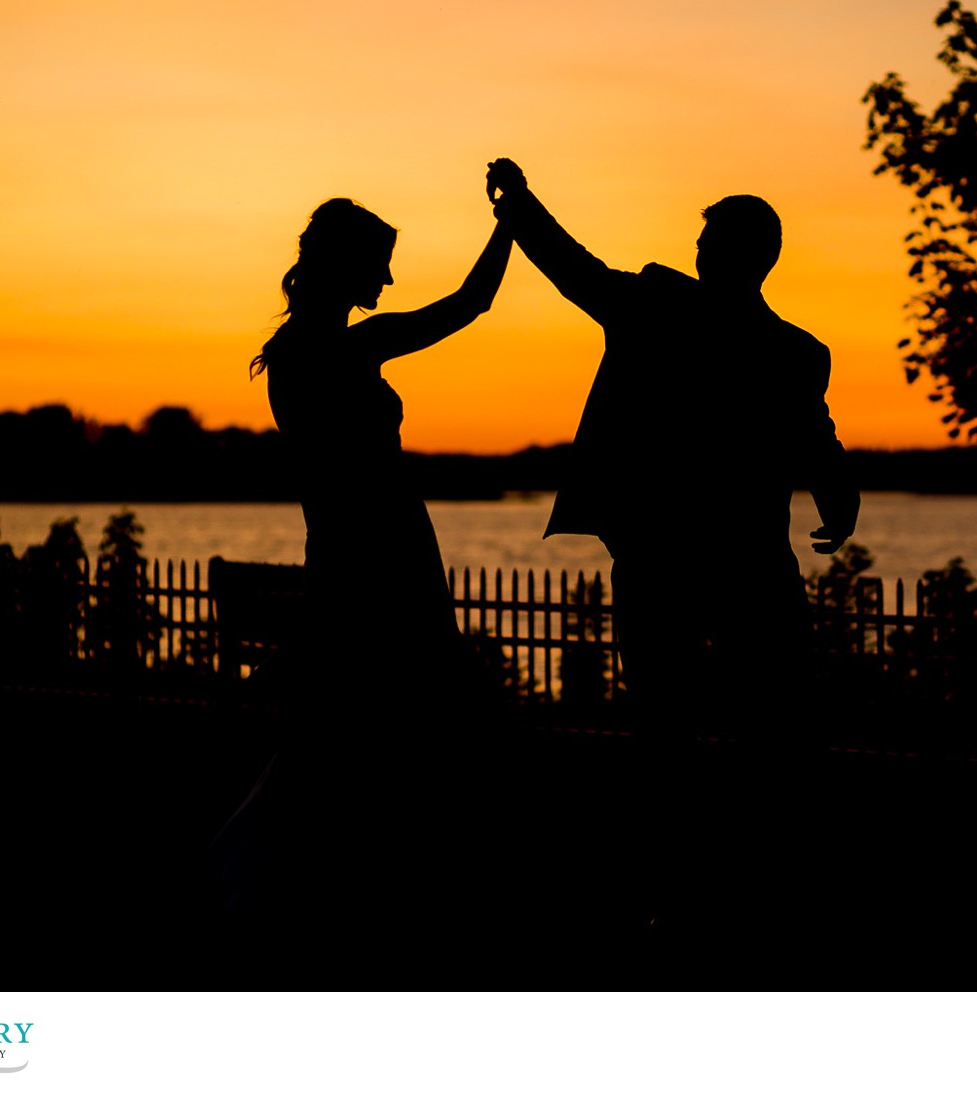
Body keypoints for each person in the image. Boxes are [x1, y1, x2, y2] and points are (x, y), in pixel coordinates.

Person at [213, 196, 512, 961]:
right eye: (378, 259)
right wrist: (512, 224)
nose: (387, 274)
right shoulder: (348, 350)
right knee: (382, 722)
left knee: (346, 727)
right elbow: (470, 304)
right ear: (348, 265)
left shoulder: (292, 353)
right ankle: (310, 885)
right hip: (380, 551)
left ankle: (310, 880)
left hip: (349, 547)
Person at [485, 158, 859, 747]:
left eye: (708, 243)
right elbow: (817, 442)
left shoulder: (660, 309)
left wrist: (519, 207)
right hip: (734, 554)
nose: (700, 253)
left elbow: (575, 271)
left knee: (681, 707)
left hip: (672, 550)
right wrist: (839, 500)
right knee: (759, 703)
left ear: (740, 254)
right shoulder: (795, 351)